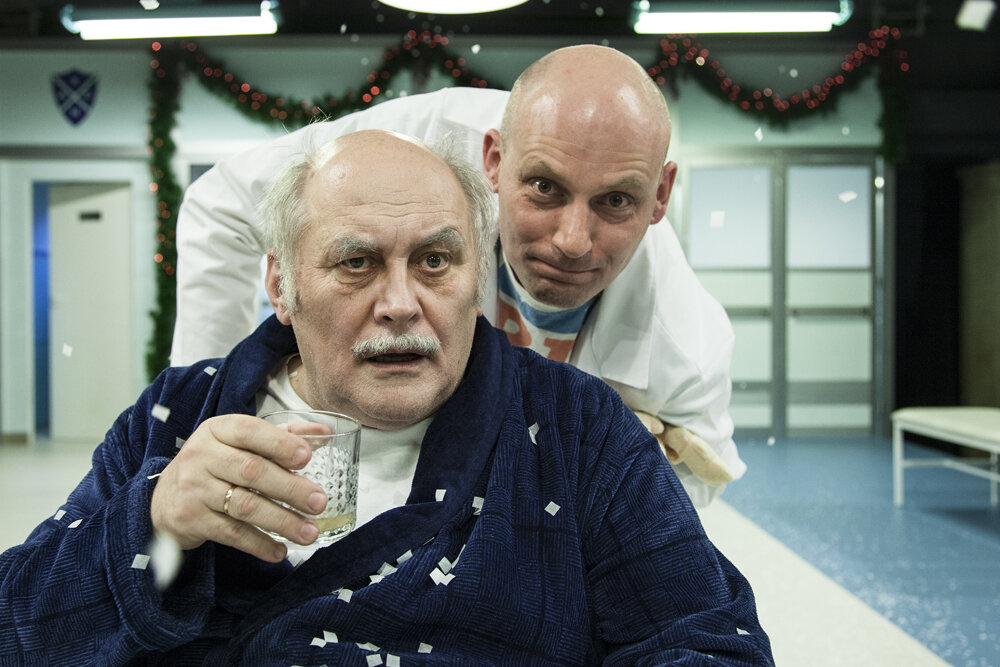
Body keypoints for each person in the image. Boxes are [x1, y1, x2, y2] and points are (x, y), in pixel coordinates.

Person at [0, 130, 773, 664]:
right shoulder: (178, 418)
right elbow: (16, 627)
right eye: (356, 263)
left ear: (475, 276)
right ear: (281, 284)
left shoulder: (576, 433)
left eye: (435, 261)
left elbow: (710, 640)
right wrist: (154, 522)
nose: (402, 303)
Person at [173, 45, 744, 509]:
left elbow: (690, 504)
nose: (572, 240)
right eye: (544, 187)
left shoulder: (686, 353)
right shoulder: (416, 146)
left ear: (660, 195)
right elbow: (220, 205)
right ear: (492, 160)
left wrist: (626, 468)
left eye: (616, 200)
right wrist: (214, 420)